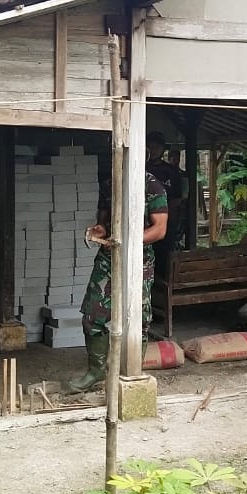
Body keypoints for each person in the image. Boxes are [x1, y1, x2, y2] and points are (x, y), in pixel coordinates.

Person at [63, 150, 169, 394]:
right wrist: (99, 230)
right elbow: (104, 222)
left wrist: (128, 241)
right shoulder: (109, 184)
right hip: (108, 258)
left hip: (138, 260)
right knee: (92, 314)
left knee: (138, 319)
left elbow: (159, 229)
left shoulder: (152, 185)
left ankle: (132, 373)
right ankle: (96, 370)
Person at [146, 132, 186, 277]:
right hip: (145, 221)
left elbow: (178, 197)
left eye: (157, 146)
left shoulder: (171, 171)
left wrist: (164, 212)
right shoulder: (141, 169)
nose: (154, 149)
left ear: (163, 149)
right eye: (151, 146)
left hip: (167, 220)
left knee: (165, 255)